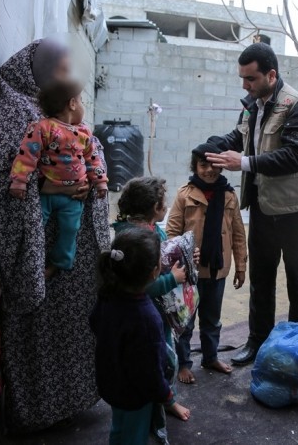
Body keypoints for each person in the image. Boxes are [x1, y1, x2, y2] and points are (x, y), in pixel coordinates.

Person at [0, 39, 110, 433]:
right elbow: (8, 179)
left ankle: (71, 402)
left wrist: (88, 185)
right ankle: (41, 412)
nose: (67, 81)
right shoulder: (16, 112)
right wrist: (53, 188)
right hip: (40, 259)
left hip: (70, 258)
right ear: (37, 74)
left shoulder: (53, 114)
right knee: (41, 338)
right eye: (61, 72)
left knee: (72, 334)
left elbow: (85, 156)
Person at [204, 42, 298, 366]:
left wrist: (243, 163)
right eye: (242, 78)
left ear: (271, 75)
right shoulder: (252, 105)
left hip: (294, 209)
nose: (245, 85)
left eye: (250, 78)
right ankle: (258, 342)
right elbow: (238, 138)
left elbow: (293, 157)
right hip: (263, 207)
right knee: (261, 279)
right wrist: (210, 148)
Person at [113, 177, 192, 427]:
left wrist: (186, 256)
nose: (166, 206)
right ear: (154, 208)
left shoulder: (148, 230)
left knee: (164, 358)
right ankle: (159, 402)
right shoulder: (135, 240)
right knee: (158, 361)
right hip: (146, 314)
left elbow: (164, 258)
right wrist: (173, 279)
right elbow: (143, 286)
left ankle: (166, 399)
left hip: (158, 313)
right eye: (163, 203)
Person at [166, 142, 248, 383]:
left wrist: (241, 266)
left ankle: (210, 357)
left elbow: (238, 234)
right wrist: (177, 262)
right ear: (195, 167)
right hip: (188, 273)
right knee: (185, 321)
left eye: (213, 165)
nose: (209, 170)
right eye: (203, 165)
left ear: (222, 166)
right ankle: (183, 363)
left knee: (212, 319)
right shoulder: (184, 194)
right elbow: (172, 232)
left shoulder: (229, 195)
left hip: (217, 270)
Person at [9, 80, 108, 279]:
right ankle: (30, 261)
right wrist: (19, 181)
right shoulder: (42, 128)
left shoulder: (84, 133)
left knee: (70, 229)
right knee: (35, 228)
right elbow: (27, 155)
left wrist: (100, 181)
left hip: (73, 198)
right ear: (72, 103)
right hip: (46, 193)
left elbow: (93, 159)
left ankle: (58, 263)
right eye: (81, 101)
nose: (83, 106)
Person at [91, 227, 173, 445]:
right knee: (134, 436)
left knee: (119, 428)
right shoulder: (147, 318)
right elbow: (150, 370)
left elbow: (94, 322)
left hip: (110, 381)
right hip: (136, 394)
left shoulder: (107, 294)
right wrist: (165, 393)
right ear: (154, 272)